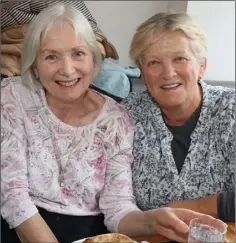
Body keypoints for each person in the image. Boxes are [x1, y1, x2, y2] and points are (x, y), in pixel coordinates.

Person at [1, 3, 217, 243]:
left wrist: (152, 220)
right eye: (51, 56)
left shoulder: (117, 119)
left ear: (94, 60)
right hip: (20, 227)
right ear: (35, 65)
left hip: (87, 235)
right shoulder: (13, 96)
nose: (67, 69)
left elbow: (116, 206)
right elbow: (12, 195)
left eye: (78, 54)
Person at [121, 12, 235, 223]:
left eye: (179, 59)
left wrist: (187, 208)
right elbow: (114, 200)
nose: (168, 73)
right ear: (142, 73)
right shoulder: (126, 115)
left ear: (202, 66)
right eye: (154, 62)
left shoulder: (231, 110)